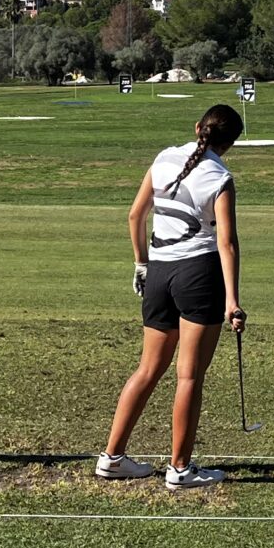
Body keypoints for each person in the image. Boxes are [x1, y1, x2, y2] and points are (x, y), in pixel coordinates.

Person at [98, 103, 247, 492]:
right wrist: (232, 301)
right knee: (189, 376)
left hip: (159, 273)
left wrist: (141, 264)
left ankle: (112, 457)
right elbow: (227, 243)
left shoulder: (164, 157)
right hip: (199, 275)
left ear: (197, 127)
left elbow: (135, 216)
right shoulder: (221, 176)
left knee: (148, 369)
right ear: (229, 143)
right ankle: (180, 469)